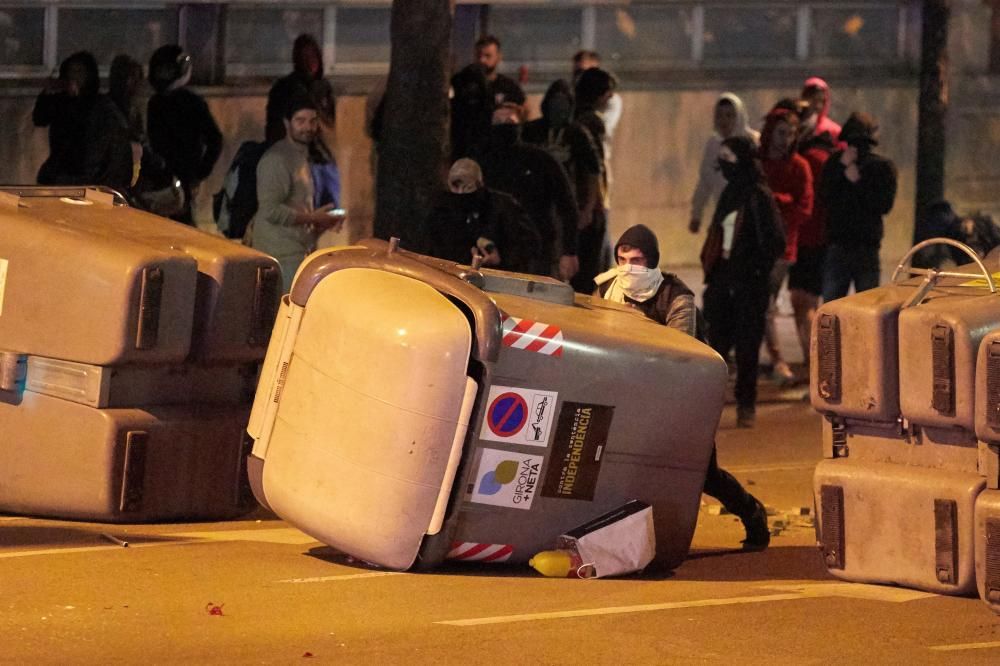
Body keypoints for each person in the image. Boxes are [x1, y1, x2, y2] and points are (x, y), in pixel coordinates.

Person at [595, 224, 770, 550]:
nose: (628, 268)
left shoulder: (675, 296)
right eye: (622, 259)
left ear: (653, 261)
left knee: (703, 474)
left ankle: (751, 512)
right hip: (626, 396)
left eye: (637, 260)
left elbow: (680, 349)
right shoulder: (606, 291)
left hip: (682, 399)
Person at [700, 136, 786, 428]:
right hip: (723, 279)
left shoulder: (759, 196)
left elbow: (775, 240)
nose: (724, 165)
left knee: (748, 345)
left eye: (729, 158)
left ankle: (745, 405)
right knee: (717, 345)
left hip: (750, 282)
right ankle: (710, 406)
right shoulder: (729, 195)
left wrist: (756, 270)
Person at [250, 96, 346, 292]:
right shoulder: (277, 159)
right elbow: (270, 210)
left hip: (298, 250)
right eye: (300, 121)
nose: (307, 127)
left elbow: (297, 206)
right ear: (287, 123)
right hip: (280, 255)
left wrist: (322, 221)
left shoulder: (302, 156)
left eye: (312, 121)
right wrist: (313, 217)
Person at [478, 104, 580, 282]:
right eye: (498, 121)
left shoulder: (541, 160)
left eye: (509, 121)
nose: (503, 125)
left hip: (539, 249)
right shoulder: (483, 162)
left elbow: (567, 205)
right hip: (495, 249)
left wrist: (569, 251)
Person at [522, 80, 603, 286]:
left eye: (563, 102)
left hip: (566, 205)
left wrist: (588, 208)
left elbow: (593, 172)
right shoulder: (533, 131)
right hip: (535, 204)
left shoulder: (578, 135)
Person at [760, 108, 813, 385]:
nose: (786, 139)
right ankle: (776, 359)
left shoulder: (799, 166)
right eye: (782, 133)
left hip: (782, 248)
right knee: (764, 305)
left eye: (791, 134)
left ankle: (780, 361)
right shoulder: (760, 164)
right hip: (758, 246)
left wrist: (776, 202)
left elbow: (804, 209)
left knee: (770, 303)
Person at [820, 112, 898, 302]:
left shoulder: (880, 168)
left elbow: (883, 204)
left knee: (865, 305)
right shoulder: (836, 164)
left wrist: (857, 182)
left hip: (864, 246)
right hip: (844, 244)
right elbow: (824, 196)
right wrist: (841, 169)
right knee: (836, 307)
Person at [420, 158, 543, 274]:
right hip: (451, 280)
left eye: (467, 187)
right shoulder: (440, 210)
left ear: (479, 184)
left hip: (497, 280)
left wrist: (501, 259)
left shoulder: (502, 207)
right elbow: (429, 249)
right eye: (455, 186)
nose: (460, 192)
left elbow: (529, 245)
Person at [33, 51, 133, 194]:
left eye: (80, 72)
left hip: (86, 179)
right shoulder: (61, 101)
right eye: (71, 72)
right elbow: (40, 119)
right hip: (60, 174)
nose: (75, 77)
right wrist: (48, 93)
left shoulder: (101, 106)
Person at [147, 44, 223, 225]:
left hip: (181, 177)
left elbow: (214, 139)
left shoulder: (190, 103)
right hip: (163, 177)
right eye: (160, 71)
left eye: (167, 71)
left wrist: (198, 173)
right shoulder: (156, 103)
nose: (162, 76)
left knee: (182, 225)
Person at [789, 101, 837, 367]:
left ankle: (817, 362)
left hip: (813, 237)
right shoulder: (808, 154)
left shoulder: (814, 158)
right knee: (802, 300)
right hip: (803, 237)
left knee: (804, 300)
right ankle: (813, 361)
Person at [570, 68, 618, 294]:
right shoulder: (592, 122)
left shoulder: (574, 116)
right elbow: (595, 167)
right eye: (608, 92)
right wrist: (596, 204)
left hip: (578, 198)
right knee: (593, 263)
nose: (610, 98)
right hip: (592, 201)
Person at [689, 93, 760, 234]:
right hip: (722, 214)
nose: (724, 121)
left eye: (730, 115)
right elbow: (705, 181)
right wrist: (696, 214)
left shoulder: (752, 142)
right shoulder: (714, 145)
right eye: (720, 115)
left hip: (750, 217)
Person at [265, 34, 336, 146]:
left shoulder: (323, 87)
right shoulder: (284, 88)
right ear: (299, 60)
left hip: (318, 152)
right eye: (305, 58)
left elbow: (330, 124)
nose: (311, 63)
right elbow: (275, 130)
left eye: (314, 56)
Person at [474, 35, 525, 109]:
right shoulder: (463, 84)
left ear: (499, 57)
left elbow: (524, 109)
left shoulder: (509, 86)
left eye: (488, 56)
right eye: (478, 56)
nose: (482, 60)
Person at [801, 77, 841, 143]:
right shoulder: (794, 125)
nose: (817, 106)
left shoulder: (834, 130)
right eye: (813, 100)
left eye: (821, 101)